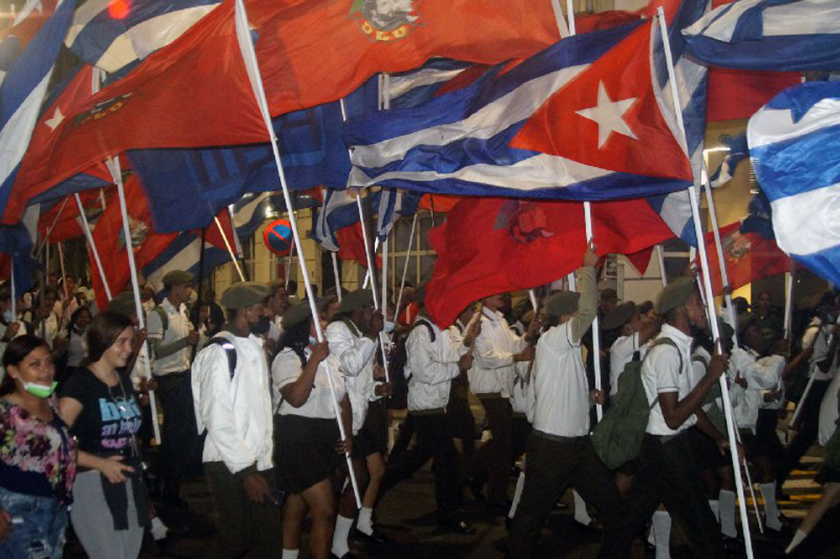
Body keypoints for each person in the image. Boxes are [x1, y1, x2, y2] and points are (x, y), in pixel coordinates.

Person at [509, 245, 635, 559]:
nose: (583, 317)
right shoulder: (555, 340)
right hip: (553, 448)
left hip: (575, 445)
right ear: (566, 316)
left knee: (614, 510)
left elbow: (555, 394)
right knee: (529, 519)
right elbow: (591, 311)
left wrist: (588, 400)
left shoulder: (563, 348)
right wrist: (588, 270)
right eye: (576, 312)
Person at [624, 278, 732, 559]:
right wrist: (710, 377)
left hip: (663, 445)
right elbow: (673, 416)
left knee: (629, 521)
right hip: (665, 446)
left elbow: (689, 407)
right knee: (701, 523)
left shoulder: (680, 347)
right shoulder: (667, 352)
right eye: (698, 302)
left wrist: (717, 436)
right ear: (682, 308)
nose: (703, 308)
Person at [377, 288, 480, 534]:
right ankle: (448, 514)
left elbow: (454, 354)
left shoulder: (440, 330)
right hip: (426, 407)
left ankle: (373, 490)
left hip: (436, 405)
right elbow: (425, 372)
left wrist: (468, 339)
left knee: (415, 459)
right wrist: (457, 367)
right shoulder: (421, 333)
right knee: (448, 460)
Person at [192, 282, 281, 559]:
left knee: (267, 540)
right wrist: (247, 472)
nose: (266, 313)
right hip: (229, 462)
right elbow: (217, 419)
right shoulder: (218, 353)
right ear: (244, 311)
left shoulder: (253, 346)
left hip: (258, 459)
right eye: (261, 308)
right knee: (235, 539)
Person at [59, 312, 148, 559]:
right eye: (121, 342)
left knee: (129, 553)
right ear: (102, 342)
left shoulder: (122, 380)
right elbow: (54, 443)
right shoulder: (81, 384)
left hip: (128, 479)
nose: (129, 349)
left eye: (131, 342)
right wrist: (100, 463)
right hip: (91, 483)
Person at [272, 303, 352, 559]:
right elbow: (296, 397)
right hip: (297, 439)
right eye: (319, 321)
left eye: (325, 320)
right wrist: (314, 360)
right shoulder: (287, 357)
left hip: (324, 437)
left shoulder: (331, 357)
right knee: (326, 509)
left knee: (297, 506)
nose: (325, 326)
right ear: (302, 326)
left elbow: (343, 398)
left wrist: (347, 433)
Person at [0, 335, 77, 559]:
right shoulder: (6, 413)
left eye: (48, 362)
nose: (46, 370)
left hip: (55, 508)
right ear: (13, 371)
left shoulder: (50, 401)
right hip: (19, 510)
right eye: (35, 364)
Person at [325, 289, 389, 558]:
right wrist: (372, 336)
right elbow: (349, 366)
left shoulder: (362, 336)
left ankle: (349, 532)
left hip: (359, 418)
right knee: (355, 477)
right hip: (340, 418)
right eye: (368, 309)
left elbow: (360, 382)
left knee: (368, 473)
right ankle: (336, 543)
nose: (373, 314)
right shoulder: (338, 329)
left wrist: (377, 389)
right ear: (357, 310)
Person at [467, 291, 536, 513]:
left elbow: (514, 345)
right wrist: (517, 357)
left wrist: (528, 336)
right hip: (489, 387)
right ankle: (488, 488)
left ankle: (474, 474)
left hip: (501, 387)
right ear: (484, 297)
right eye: (495, 293)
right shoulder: (481, 323)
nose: (502, 296)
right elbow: (486, 358)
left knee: (504, 442)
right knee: (504, 442)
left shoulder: (501, 321)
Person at [146, 269, 201, 508]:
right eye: (186, 286)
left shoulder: (183, 311)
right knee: (173, 434)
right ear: (175, 288)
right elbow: (156, 351)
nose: (190, 290)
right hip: (168, 379)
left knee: (182, 433)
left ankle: (172, 480)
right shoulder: (159, 314)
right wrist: (184, 342)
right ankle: (166, 482)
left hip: (183, 374)